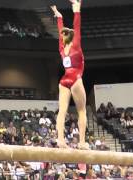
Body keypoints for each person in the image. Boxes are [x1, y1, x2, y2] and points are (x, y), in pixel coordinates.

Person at [50, 0, 87, 149]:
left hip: (64, 80)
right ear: (73, 37)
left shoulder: (61, 48)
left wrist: (59, 17)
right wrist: (77, 9)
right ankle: (82, 142)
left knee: (62, 111)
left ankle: (60, 140)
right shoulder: (76, 45)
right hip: (76, 78)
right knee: (81, 111)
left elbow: (61, 33)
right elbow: (77, 25)